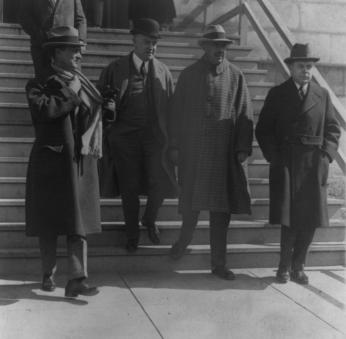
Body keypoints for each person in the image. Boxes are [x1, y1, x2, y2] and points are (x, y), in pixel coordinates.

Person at [25, 26, 115, 298]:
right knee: (49, 222)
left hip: (79, 162)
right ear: (56, 53)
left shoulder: (84, 84)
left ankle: (77, 279)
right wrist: (71, 91)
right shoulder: (38, 84)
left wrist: (106, 108)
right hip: (51, 162)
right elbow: (46, 112)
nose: (79, 53)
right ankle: (48, 273)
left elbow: (91, 121)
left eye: (79, 49)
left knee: (78, 223)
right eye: (73, 49)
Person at [168, 25, 253, 280]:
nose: (220, 51)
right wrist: (174, 145)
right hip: (194, 154)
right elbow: (175, 114)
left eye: (224, 47)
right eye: (215, 46)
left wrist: (241, 148)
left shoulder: (236, 76)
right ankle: (182, 242)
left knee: (220, 213)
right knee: (190, 208)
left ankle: (218, 264)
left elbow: (245, 113)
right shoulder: (189, 75)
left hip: (222, 156)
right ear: (204, 47)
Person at [256, 43, 340, 285]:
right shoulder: (277, 94)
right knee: (289, 219)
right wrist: (274, 157)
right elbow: (263, 130)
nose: (306, 71)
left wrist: (326, 156)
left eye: (310, 66)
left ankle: (299, 265)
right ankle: (283, 267)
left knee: (310, 218)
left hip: (314, 164)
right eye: (302, 66)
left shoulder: (321, 95)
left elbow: (333, 129)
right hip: (287, 163)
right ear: (291, 67)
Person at [98, 18, 177, 253]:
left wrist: (172, 141)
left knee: (161, 181)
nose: (150, 47)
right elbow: (99, 102)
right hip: (124, 138)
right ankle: (132, 233)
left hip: (155, 137)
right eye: (146, 42)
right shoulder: (115, 69)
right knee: (129, 187)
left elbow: (171, 109)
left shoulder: (163, 71)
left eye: (154, 43)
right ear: (133, 41)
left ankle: (149, 219)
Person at [19, 0, 87, 81]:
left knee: (72, 84)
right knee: (45, 83)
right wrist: (39, 34)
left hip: (68, 49)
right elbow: (23, 16)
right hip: (42, 47)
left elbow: (80, 19)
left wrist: (81, 40)